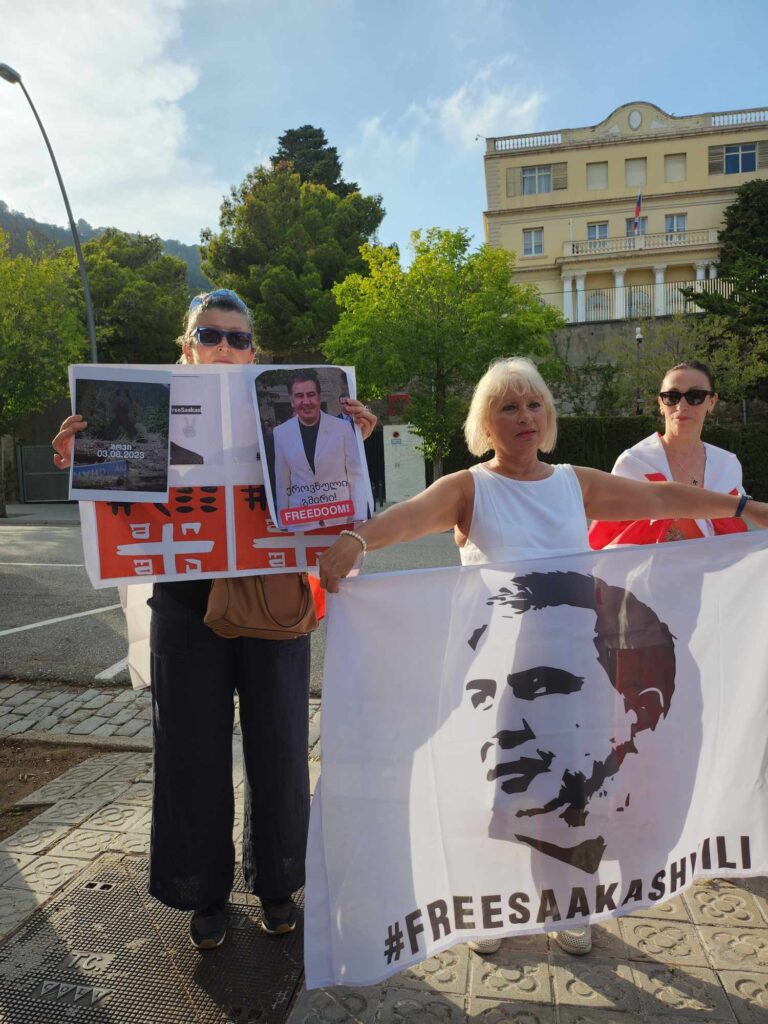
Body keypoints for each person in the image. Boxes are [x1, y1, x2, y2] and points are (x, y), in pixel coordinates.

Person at [318, 356, 768, 957]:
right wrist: (356, 539)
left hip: (581, 675)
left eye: (534, 405)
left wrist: (743, 509)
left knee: (577, 795)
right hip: (498, 677)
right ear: (486, 424)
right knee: (499, 795)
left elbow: (661, 499)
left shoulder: (574, 483)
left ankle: (568, 903)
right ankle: (490, 906)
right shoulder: (468, 488)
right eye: (508, 407)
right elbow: (406, 519)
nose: (524, 417)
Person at [52, 289, 377, 950]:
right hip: (183, 601)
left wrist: (357, 443)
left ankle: (279, 883)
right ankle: (202, 891)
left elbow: (344, 507)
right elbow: (117, 505)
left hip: (272, 598)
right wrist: (78, 459)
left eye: (237, 337)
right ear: (187, 346)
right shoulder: (146, 410)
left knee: (280, 744)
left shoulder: (298, 421)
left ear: (255, 352)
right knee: (189, 750)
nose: (224, 346)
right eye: (210, 335)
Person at [589, 360, 747, 548]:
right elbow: (610, 537)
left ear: (711, 402)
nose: (682, 405)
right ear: (661, 404)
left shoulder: (727, 465)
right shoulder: (634, 462)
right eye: (672, 397)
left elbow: (736, 536)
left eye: (695, 396)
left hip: (715, 566)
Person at [272, 370, 369, 528]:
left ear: (319, 397)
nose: (306, 401)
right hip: (300, 522)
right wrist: (283, 526)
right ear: (292, 400)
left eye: (311, 394)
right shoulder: (280, 433)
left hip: (340, 519)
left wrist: (359, 517)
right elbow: (283, 483)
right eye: (299, 396)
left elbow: (355, 475)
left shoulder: (343, 428)